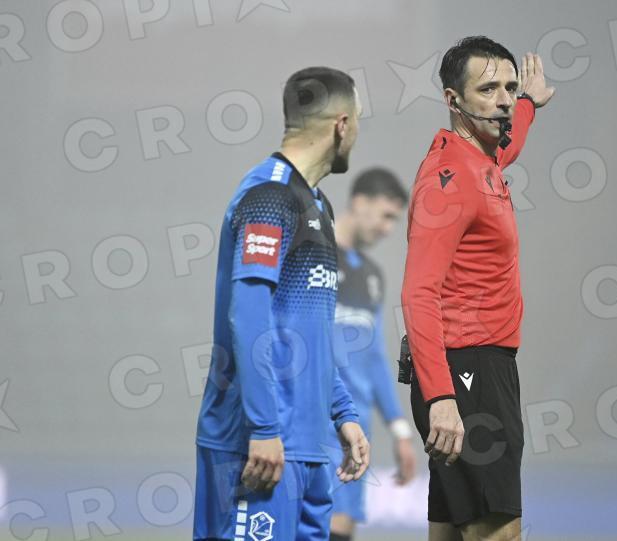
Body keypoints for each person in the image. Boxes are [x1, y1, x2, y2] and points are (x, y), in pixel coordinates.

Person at [194, 66, 370, 541]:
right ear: (341, 125)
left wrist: (343, 413)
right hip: (259, 448)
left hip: (307, 450)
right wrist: (264, 427)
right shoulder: (269, 195)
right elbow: (248, 313)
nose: (357, 133)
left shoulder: (319, 205)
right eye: (358, 120)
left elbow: (310, 329)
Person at [400, 36, 555, 541]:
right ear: (453, 100)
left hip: (472, 371)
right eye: (488, 90)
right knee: (499, 532)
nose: (503, 100)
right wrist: (442, 396)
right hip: (469, 376)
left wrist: (530, 104)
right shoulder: (450, 180)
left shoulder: (480, 161)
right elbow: (418, 293)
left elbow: (506, 145)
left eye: (510, 87)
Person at [328, 168, 418, 541]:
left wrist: (399, 429)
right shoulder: (311, 255)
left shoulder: (372, 275)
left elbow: (375, 356)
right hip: (318, 422)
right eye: (386, 216)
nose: (388, 228)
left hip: (358, 430)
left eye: (395, 220)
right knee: (317, 524)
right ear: (360, 202)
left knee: (342, 527)